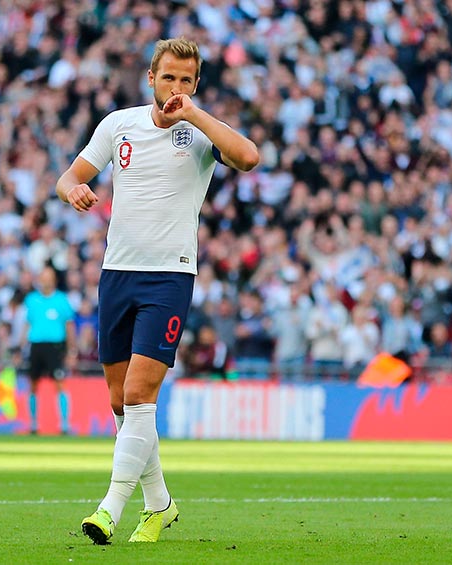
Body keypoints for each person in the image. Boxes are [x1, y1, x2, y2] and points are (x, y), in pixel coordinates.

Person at [57, 38, 259, 544]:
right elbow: (70, 176)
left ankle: (109, 508)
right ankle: (160, 504)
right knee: (120, 403)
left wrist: (197, 114)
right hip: (116, 273)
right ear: (151, 78)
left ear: (196, 85)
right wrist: (75, 189)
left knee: (141, 393)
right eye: (168, 77)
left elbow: (248, 157)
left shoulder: (200, 132)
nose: (176, 87)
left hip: (169, 275)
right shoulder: (117, 124)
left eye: (186, 80)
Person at [20, 266, 76, 435]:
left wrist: (72, 351)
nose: (46, 280)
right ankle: (33, 424)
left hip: (55, 347)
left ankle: (64, 425)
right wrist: (21, 346)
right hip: (36, 346)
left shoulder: (61, 300)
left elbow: (69, 326)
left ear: (54, 280)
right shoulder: (31, 300)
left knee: (60, 384)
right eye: (43, 276)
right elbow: (27, 324)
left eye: (49, 277)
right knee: (33, 384)